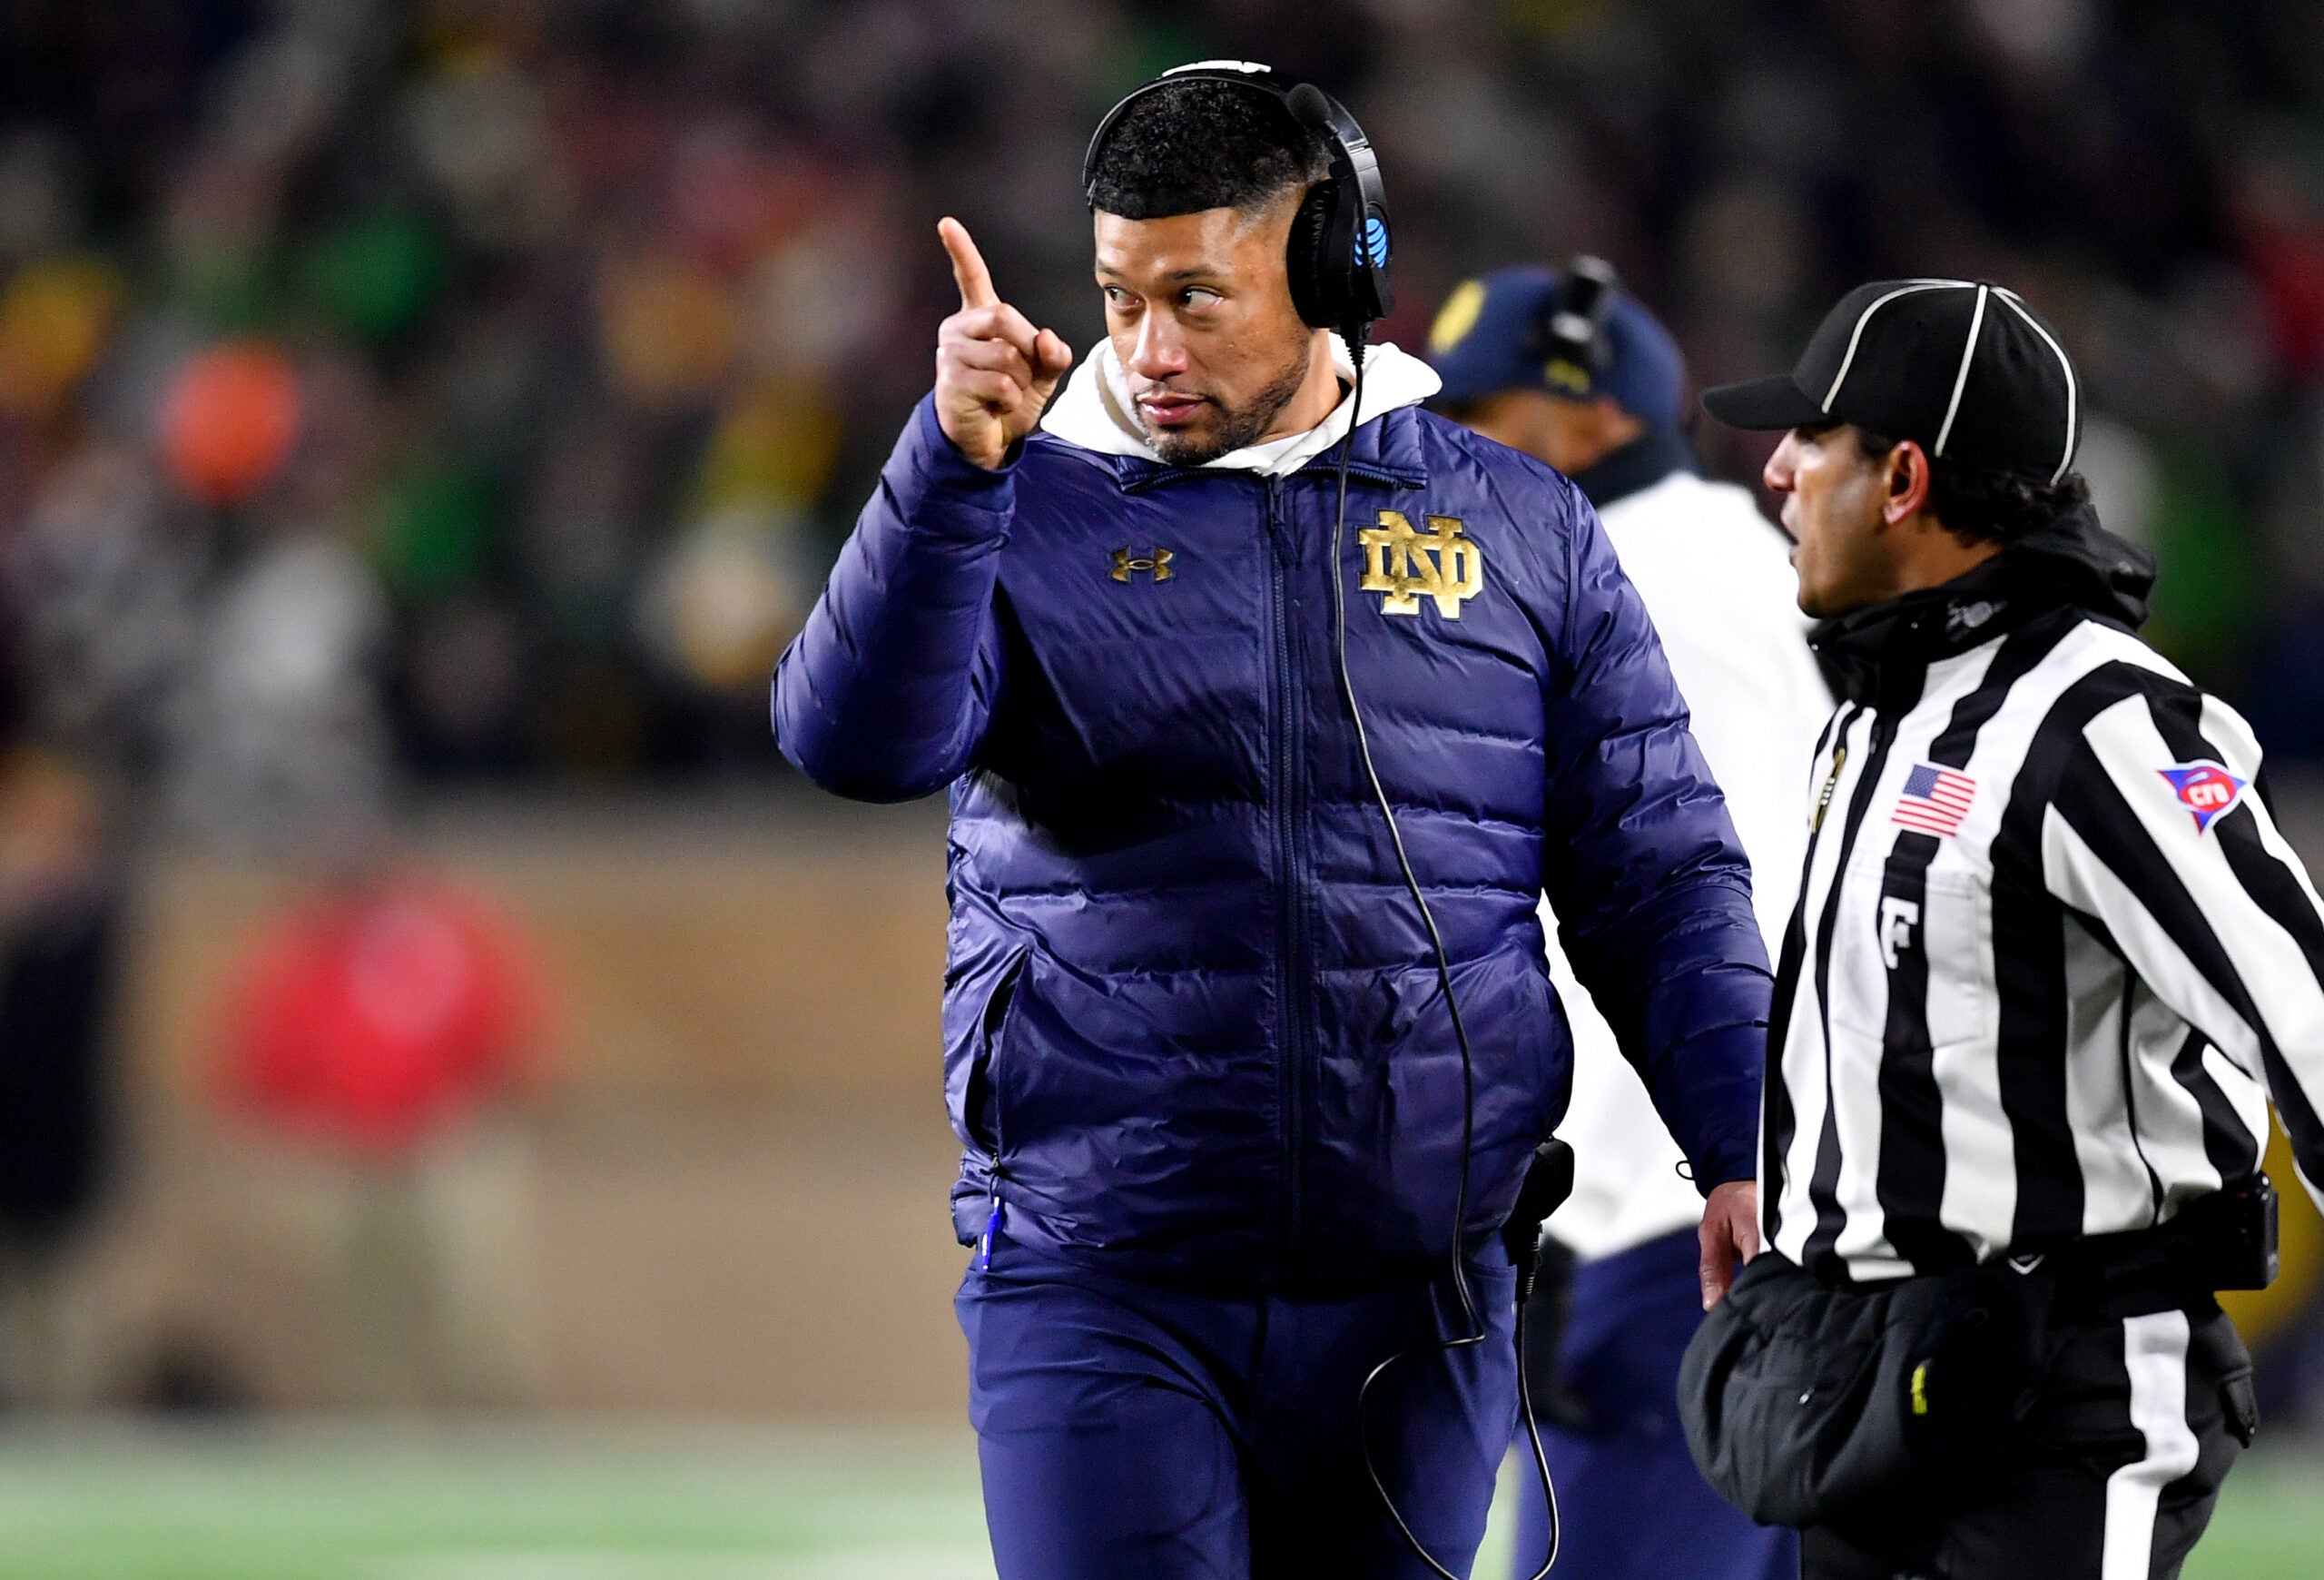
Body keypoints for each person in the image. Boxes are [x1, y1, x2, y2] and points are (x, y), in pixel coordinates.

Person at [773, 63, 1771, 1580]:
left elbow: (1658, 874)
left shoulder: (1518, 525)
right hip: (1103, 1275)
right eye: (1118, 300)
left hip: (1420, 1295)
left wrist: (1739, 1139)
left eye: (1195, 298)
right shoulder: (1019, 499)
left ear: (1327, 268)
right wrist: (947, 469)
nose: (1148, 350)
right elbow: (852, 741)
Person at [1693, 277, 2324, 1579]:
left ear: (1906, 477)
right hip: (1864, 1381)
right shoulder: (1876, 710)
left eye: (1815, 438)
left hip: (2060, 1393)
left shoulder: (2103, 722)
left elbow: (2306, 1015)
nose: (1778, 474)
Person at [1429, 262, 1824, 1580]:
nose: (1446, 444)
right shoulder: (1723, 555)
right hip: (1742, 1198)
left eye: (1482, 409)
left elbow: (1691, 916)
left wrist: (1564, 1214)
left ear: (1589, 414)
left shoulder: (1653, 578)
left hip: (1671, 1225)